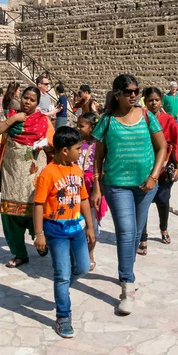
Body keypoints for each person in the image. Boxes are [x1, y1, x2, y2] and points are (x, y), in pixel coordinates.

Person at [91, 74, 167, 315]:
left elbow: (162, 147)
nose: (134, 95)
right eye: (128, 91)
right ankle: (127, 285)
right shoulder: (106, 120)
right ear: (117, 94)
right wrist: (96, 186)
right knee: (125, 231)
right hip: (117, 185)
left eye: (136, 91)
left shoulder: (147, 117)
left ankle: (127, 271)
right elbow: (98, 157)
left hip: (146, 185)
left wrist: (154, 176)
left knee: (135, 233)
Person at [33, 127, 95, 338]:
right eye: (78, 148)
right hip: (55, 230)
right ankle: (63, 316)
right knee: (61, 275)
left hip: (76, 229)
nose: (81, 151)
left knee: (84, 267)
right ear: (64, 150)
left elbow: (84, 199)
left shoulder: (76, 170)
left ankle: (65, 284)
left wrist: (89, 226)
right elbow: (39, 204)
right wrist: (39, 233)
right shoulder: (47, 174)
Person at [0, 86, 55, 268]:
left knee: (36, 210)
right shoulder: (12, 116)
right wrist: (13, 119)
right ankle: (20, 253)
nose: (27, 102)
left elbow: (54, 147)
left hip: (34, 176)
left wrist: (45, 147)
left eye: (32, 100)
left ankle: (41, 242)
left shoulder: (43, 121)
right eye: (25, 98)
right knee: (10, 214)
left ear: (37, 103)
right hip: (12, 174)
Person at [138, 87, 178, 256]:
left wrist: (177, 166)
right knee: (143, 203)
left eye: (156, 100)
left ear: (161, 101)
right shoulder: (140, 119)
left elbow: (175, 144)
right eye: (150, 100)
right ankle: (143, 237)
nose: (153, 103)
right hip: (143, 167)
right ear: (145, 101)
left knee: (163, 201)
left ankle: (164, 228)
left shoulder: (169, 120)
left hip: (163, 169)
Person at [76, 113, 108, 271]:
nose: (78, 128)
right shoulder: (76, 143)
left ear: (92, 127)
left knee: (91, 223)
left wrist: (99, 188)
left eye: (81, 126)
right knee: (75, 221)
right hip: (76, 187)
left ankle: (90, 254)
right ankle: (75, 253)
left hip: (91, 188)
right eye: (78, 125)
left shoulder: (98, 145)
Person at [162, 81, 178, 152]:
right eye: (172, 87)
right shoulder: (166, 96)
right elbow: (161, 106)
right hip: (169, 118)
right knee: (169, 133)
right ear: (170, 88)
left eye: (175, 88)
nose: (173, 89)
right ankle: (169, 148)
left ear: (177, 88)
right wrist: (165, 114)